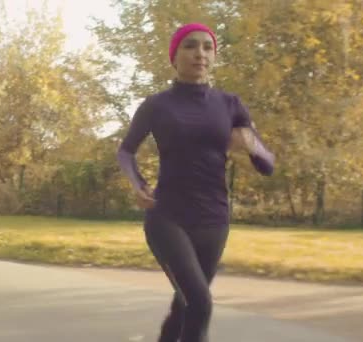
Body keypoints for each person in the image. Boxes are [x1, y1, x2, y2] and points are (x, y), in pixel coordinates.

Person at [116, 23, 275, 342]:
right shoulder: (156, 105)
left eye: (207, 47)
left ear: (214, 56)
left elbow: (267, 166)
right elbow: (126, 150)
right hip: (168, 216)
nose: (200, 53)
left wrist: (251, 141)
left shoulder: (231, 104)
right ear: (175, 56)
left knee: (184, 303)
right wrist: (138, 184)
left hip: (214, 219)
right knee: (200, 303)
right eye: (190, 46)